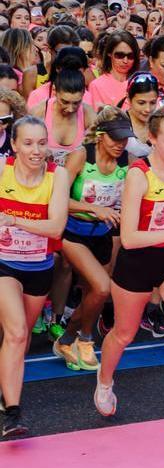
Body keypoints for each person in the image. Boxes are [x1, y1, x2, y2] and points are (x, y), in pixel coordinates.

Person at [94, 106, 164, 440]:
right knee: (123, 334)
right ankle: (104, 380)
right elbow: (128, 238)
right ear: (151, 140)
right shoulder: (139, 175)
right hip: (138, 261)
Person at [0, 116, 70, 438]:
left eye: (42, 143)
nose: (36, 150)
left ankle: (6, 389)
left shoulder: (58, 177)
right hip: (4, 265)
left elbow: (55, 227)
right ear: (14, 145)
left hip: (39, 268)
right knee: (15, 333)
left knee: (22, 338)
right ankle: (13, 414)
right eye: (27, 143)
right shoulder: (2, 171)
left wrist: (13, 219)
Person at [53, 108, 134, 371]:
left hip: (102, 235)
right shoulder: (80, 156)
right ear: (100, 136)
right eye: (115, 139)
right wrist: (94, 209)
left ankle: (66, 341)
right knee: (102, 288)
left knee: (94, 297)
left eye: (124, 139)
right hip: (74, 233)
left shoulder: (127, 162)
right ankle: (86, 340)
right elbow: (57, 199)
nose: (120, 145)